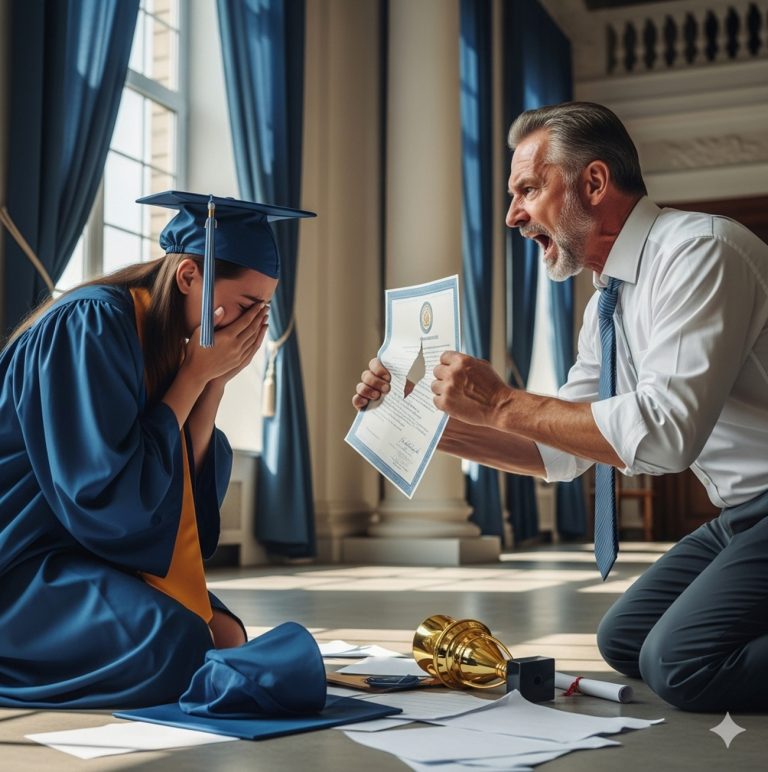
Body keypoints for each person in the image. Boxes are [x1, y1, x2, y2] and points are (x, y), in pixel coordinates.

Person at [353, 101, 768, 713]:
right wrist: (426, 422)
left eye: (528, 189)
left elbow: (667, 433)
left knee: (679, 664)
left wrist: (499, 402)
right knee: (624, 639)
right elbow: (561, 451)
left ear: (594, 183)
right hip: (743, 512)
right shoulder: (606, 302)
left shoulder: (700, 251)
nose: (512, 215)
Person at [0, 191, 314, 708]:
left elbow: (176, 486)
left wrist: (212, 384)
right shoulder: (91, 324)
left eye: (263, 310)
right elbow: (104, 494)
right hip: (24, 559)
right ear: (190, 276)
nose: (251, 324)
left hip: (85, 550)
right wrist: (194, 377)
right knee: (178, 643)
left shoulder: (168, 337)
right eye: (244, 306)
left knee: (227, 635)